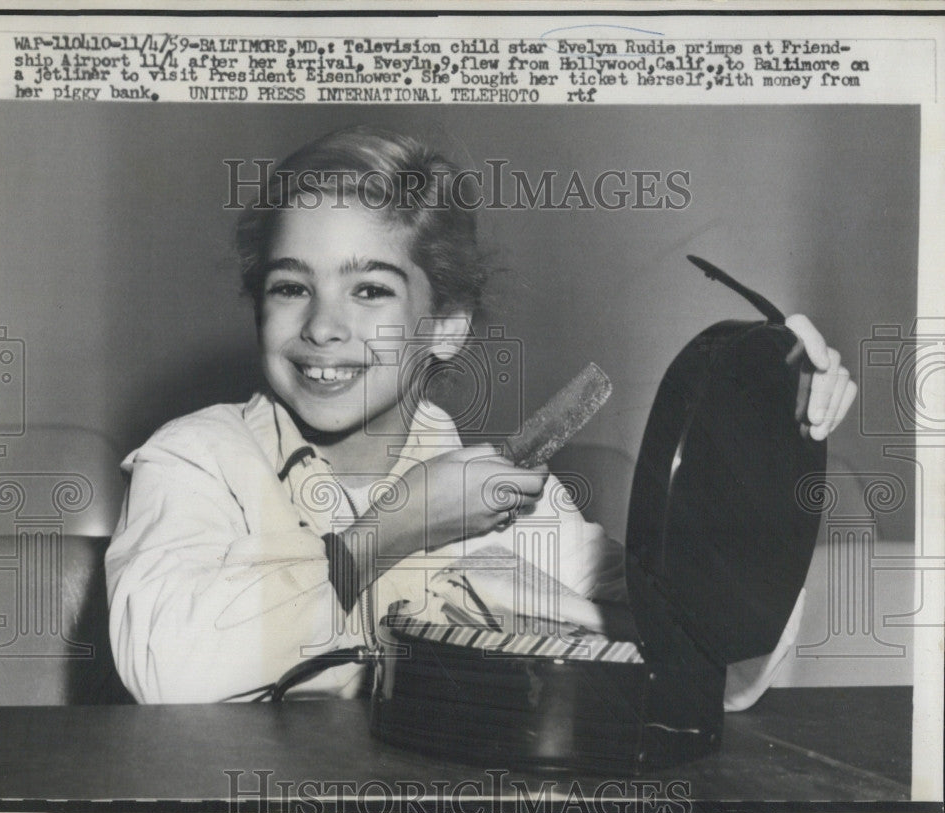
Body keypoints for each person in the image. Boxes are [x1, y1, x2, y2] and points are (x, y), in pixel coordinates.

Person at [104, 126, 857, 705]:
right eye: (289, 286)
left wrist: (767, 450)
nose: (322, 327)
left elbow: (716, 666)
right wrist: (394, 529)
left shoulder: (514, 499)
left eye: (370, 290)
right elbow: (166, 668)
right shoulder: (196, 460)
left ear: (446, 325)